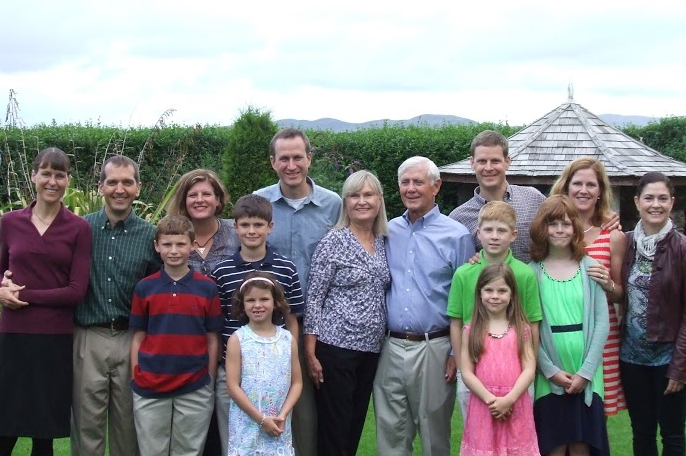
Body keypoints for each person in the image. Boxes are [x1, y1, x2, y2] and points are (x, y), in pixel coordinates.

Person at [373, 156, 475, 456]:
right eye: (405, 182)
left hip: (436, 347)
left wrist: (458, 352)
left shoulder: (456, 235)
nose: (411, 188)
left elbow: (467, 299)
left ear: (436, 186)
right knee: (390, 431)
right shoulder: (388, 231)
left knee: (434, 433)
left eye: (418, 181)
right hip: (390, 347)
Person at [254, 128, 341, 456]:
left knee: (311, 411)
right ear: (273, 162)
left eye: (298, 157)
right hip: (268, 325)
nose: (292, 165)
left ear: (309, 159)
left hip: (317, 325)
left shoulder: (333, 205)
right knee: (266, 403)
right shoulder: (260, 202)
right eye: (284, 158)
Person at [0, 148, 92, 456]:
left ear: (68, 180)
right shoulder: (9, 223)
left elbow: (76, 291)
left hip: (55, 339)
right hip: (12, 337)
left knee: (44, 433)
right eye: (46, 174)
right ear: (33, 176)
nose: (52, 181)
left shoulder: (78, 228)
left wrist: (21, 295)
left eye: (60, 175)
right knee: (5, 426)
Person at [71, 155, 161, 456]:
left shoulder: (151, 237)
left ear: (138, 188)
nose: (119, 189)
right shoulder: (81, 229)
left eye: (127, 182)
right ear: (100, 187)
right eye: (112, 182)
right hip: (89, 337)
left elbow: (158, 290)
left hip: (131, 338)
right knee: (87, 424)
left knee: (128, 425)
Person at [304, 170, 391, 455]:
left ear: (379, 200)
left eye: (368, 195)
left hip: (371, 350)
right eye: (354, 195)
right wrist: (311, 353)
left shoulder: (383, 241)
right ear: (346, 202)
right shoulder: (333, 242)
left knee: (354, 423)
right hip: (336, 348)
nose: (362, 201)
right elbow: (314, 298)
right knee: (335, 427)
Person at [210, 194, 303, 454]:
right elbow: (217, 326)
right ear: (235, 227)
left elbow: (292, 318)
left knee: (276, 439)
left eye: (258, 225)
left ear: (269, 227)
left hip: (277, 374)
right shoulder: (222, 271)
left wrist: (290, 357)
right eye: (245, 225)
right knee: (238, 443)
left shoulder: (286, 268)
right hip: (236, 374)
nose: (252, 231)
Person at [130, 215, 222, 456]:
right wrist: (136, 374)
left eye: (180, 244)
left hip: (194, 385)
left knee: (189, 450)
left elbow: (212, 337)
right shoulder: (145, 287)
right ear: (156, 246)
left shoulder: (207, 288)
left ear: (192, 245)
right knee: (152, 450)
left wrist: (209, 378)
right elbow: (138, 336)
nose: (174, 251)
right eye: (167, 244)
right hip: (150, 384)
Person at [166, 168, 240, 455]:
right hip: (186, 342)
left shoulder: (236, 232)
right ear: (183, 200)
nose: (200, 200)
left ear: (218, 199)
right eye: (192, 194)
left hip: (231, 339)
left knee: (228, 425)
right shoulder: (171, 236)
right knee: (190, 427)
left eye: (206, 194)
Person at [529, 195, 609, 456]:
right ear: (543, 228)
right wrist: (550, 370)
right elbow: (529, 329)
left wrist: (586, 372)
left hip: (587, 370)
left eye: (565, 224)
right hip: (549, 372)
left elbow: (602, 323)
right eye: (553, 224)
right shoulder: (532, 273)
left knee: (581, 444)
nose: (560, 230)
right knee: (554, 443)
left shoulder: (590, 268)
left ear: (575, 227)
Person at [447, 201, 542, 420]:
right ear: (478, 233)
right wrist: (463, 369)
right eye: (488, 230)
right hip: (474, 369)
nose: (494, 236)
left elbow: (532, 324)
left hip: (516, 372)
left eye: (501, 230)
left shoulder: (524, 274)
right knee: (479, 434)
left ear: (514, 235)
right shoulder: (464, 274)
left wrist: (530, 367)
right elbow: (456, 322)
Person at [550, 158, 627, 416]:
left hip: (600, 335)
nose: (584, 190)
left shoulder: (613, 236)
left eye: (591, 185)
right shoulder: (553, 230)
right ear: (566, 187)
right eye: (578, 183)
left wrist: (607, 283)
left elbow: (620, 294)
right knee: (558, 411)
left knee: (595, 415)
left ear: (600, 192)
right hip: (560, 334)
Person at [619, 172, 686, 455]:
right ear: (637, 202)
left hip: (668, 358)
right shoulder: (624, 243)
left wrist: (680, 367)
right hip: (631, 358)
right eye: (649, 198)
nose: (655, 204)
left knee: (671, 435)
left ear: (672, 202)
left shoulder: (682, 248)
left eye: (662, 198)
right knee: (642, 433)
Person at [460, 263, 539, 456]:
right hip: (484, 405)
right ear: (479, 293)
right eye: (489, 290)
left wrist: (509, 399)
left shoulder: (522, 329)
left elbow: (529, 368)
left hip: (515, 403)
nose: (495, 296)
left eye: (502, 290)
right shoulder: (471, 331)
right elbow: (467, 372)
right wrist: (491, 401)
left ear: (512, 294)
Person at [226, 272, 303, 455]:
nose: (257, 305)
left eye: (264, 299)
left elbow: (297, 382)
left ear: (275, 302)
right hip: (247, 426)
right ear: (242, 304)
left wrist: (283, 414)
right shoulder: (238, 339)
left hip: (279, 424)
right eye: (251, 300)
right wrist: (260, 419)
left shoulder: (286, 339)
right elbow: (232, 385)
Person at [449, 130, 546, 263]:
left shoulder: (534, 200)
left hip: (532, 283)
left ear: (507, 162)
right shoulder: (459, 218)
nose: (488, 168)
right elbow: (456, 263)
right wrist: (469, 260)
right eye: (482, 161)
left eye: (495, 161)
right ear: (472, 163)